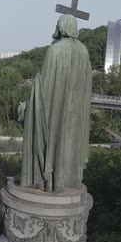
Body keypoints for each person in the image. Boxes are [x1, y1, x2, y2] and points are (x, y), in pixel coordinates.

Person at [20, 14, 93, 192]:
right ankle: (67, 179)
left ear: (62, 27)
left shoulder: (55, 50)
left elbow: (44, 85)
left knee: (52, 138)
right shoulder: (83, 50)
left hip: (55, 107)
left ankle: (48, 179)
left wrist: (29, 104)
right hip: (75, 108)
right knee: (69, 141)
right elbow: (87, 80)